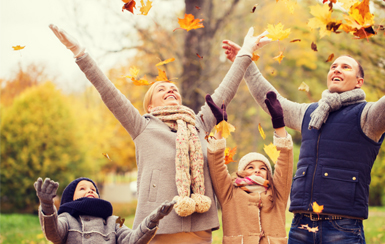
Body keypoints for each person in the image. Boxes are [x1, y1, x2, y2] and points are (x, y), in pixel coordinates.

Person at [48, 24, 271, 243]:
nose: (170, 90)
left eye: (173, 88)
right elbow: (108, 91)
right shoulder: (142, 126)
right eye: (161, 89)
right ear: (150, 107)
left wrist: (245, 53)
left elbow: (225, 91)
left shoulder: (199, 124)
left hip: (200, 228)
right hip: (156, 228)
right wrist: (80, 54)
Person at [222, 30, 385, 243]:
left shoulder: (368, 116)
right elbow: (272, 101)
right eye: (333, 66)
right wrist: (246, 61)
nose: (337, 69)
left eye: (345, 67)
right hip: (301, 225)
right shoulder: (309, 112)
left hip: (343, 228)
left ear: (359, 82)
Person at [204, 91, 293, 244]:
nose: (257, 170)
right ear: (241, 173)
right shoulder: (229, 193)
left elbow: (284, 163)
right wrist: (221, 127)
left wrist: (279, 124)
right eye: (250, 167)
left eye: (263, 168)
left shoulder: (277, 194)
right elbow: (216, 164)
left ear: (269, 175)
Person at [34, 177, 175, 244]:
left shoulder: (115, 220)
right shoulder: (67, 218)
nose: (89, 190)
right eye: (82, 188)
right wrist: (47, 205)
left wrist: (153, 219)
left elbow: (132, 240)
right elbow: (53, 234)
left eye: (93, 189)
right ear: (70, 198)